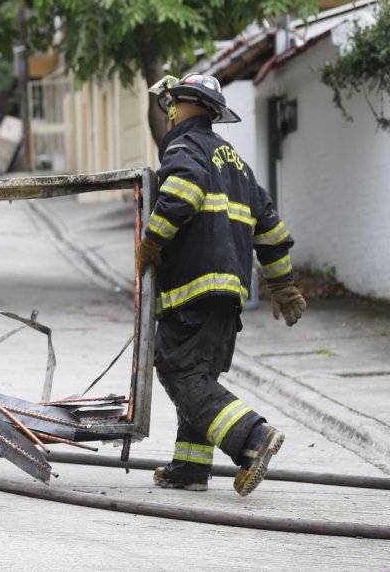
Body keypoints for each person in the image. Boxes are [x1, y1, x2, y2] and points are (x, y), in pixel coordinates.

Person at [138, 73, 307, 496]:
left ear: (184, 106)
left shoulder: (184, 147)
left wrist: (150, 244)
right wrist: (282, 284)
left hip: (193, 289)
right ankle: (191, 468)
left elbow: (181, 193)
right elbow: (269, 226)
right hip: (228, 294)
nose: (169, 112)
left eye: (172, 104)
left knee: (180, 369)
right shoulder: (236, 163)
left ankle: (253, 437)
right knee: (200, 373)